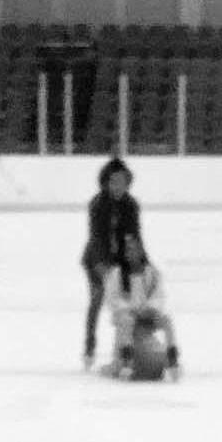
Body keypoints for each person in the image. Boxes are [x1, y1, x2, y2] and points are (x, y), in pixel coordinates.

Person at [82, 155, 143, 369]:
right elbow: (97, 238)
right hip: (97, 260)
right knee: (98, 299)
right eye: (114, 181)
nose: (118, 186)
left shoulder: (131, 205)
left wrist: (140, 264)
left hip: (122, 261)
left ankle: (125, 350)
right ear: (106, 182)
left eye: (123, 182)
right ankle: (89, 345)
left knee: (130, 303)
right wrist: (103, 268)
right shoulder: (97, 204)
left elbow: (135, 237)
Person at [103, 234, 181, 378]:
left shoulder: (152, 273)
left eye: (135, 249)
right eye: (129, 250)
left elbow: (159, 295)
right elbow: (112, 299)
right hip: (127, 318)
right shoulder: (117, 274)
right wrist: (130, 310)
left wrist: (151, 309)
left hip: (147, 316)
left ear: (141, 251)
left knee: (167, 320)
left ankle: (172, 361)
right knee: (127, 321)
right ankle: (127, 362)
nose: (132, 253)